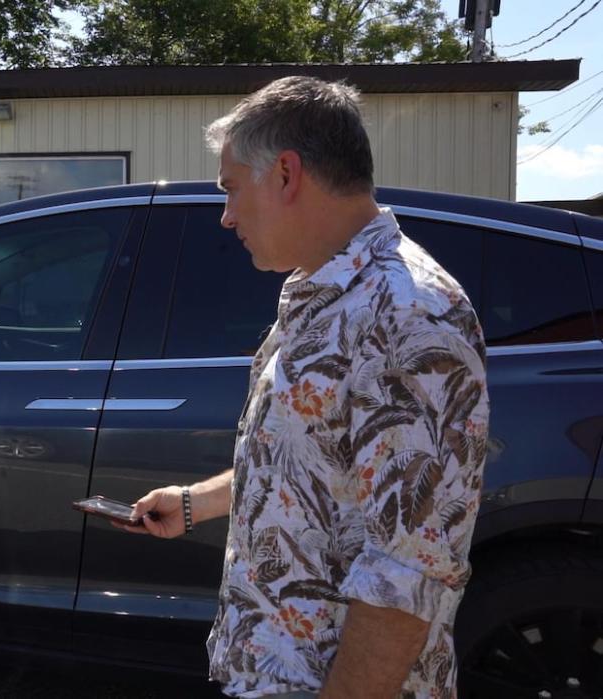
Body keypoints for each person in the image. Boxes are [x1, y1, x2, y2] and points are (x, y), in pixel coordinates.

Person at [116, 76, 489, 699]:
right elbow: (318, 459)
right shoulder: (323, 292)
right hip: (273, 671)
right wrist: (194, 503)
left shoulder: (407, 314)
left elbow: (410, 565)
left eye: (232, 189)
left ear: (286, 173)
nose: (227, 215)